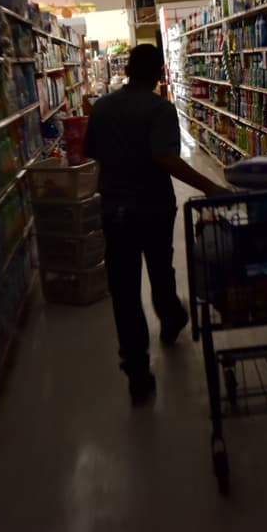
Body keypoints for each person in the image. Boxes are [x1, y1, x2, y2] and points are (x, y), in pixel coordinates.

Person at [83, 43, 227, 404]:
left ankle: (137, 370)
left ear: (129, 69)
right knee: (161, 270)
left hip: (115, 211)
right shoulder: (160, 109)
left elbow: (91, 152)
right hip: (153, 209)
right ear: (160, 72)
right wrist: (209, 185)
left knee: (125, 290)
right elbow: (165, 157)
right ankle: (172, 315)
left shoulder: (101, 107)